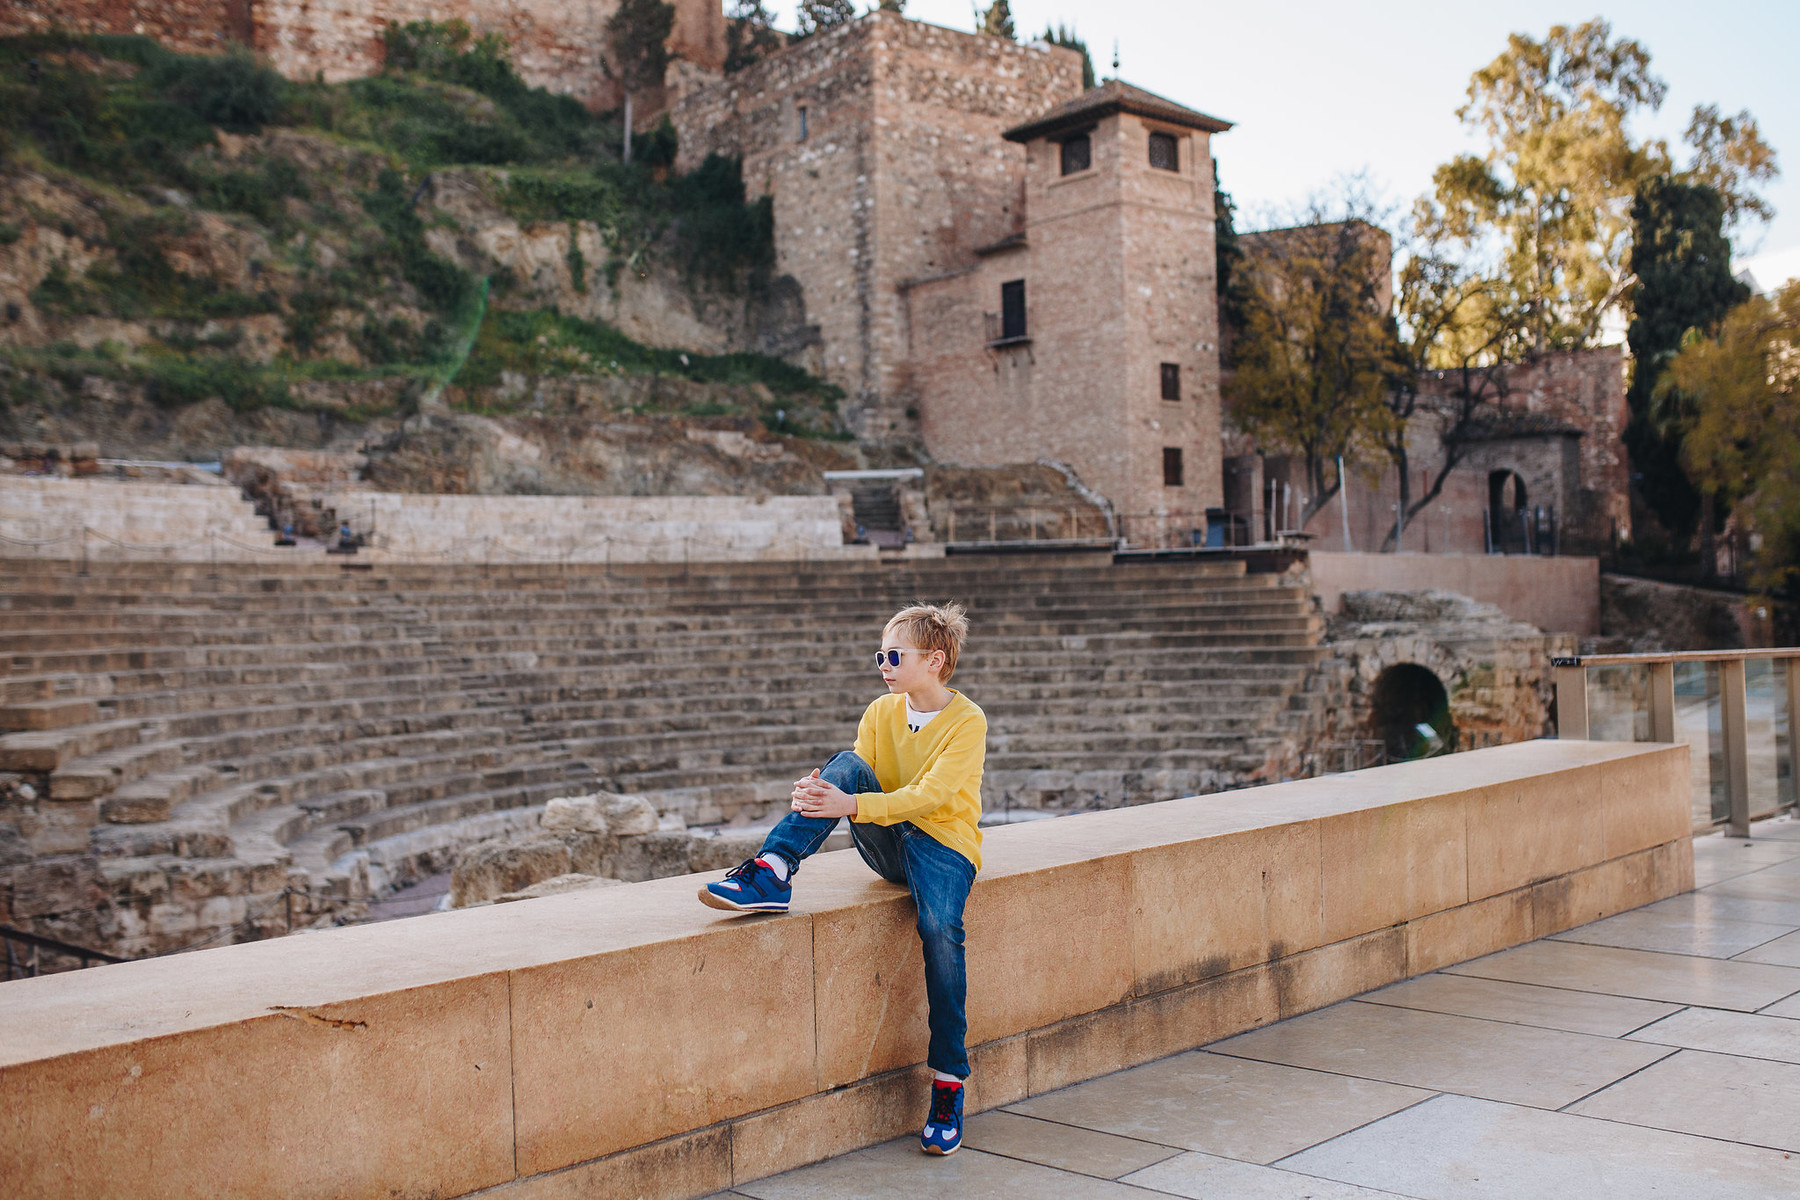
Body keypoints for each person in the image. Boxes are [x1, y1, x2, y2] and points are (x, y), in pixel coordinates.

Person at [700, 602, 986, 1156]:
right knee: (843, 764)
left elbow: (933, 796)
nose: (883, 663)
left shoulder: (967, 721)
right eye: (880, 654)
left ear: (935, 659)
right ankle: (774, 870)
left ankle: (949, 1082)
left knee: (940, 933)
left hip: (946, 848)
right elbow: (860, 774)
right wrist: (821, 794)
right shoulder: (881, 712)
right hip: (891, 844)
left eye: (894, 655)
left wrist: (849, 801)